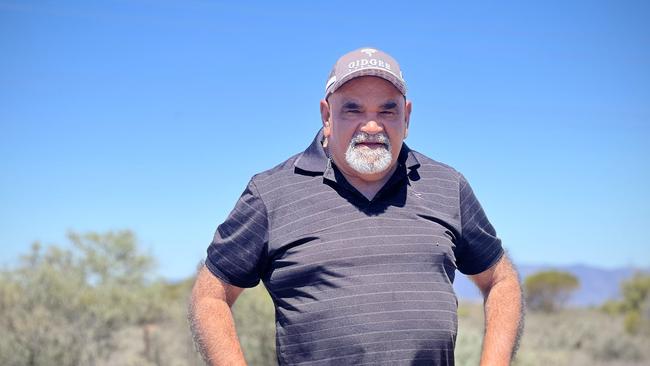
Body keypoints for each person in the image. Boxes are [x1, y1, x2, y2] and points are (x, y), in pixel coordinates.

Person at [189, 47, 524, 366]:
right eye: (353, 109)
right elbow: (210, 296)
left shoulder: (447, 186)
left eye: (387, 110)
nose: (372, 125)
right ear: (327, 116)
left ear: (406, 117)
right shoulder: (271, 193)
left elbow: (500, 280)